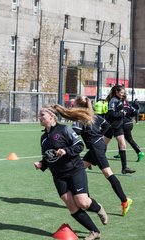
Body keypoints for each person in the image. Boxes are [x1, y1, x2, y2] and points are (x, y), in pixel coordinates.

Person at [34, 105, 107, 240]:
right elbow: (48, 156)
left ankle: (98, 208)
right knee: (72, 207)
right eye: (40, 116)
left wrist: (66, 151)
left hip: (75, 170)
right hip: (58, 176)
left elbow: (79, 146)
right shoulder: (43, 137)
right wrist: (41, 164)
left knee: (83, 203)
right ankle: (94, 231)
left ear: (51, 116)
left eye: (42, 115)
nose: (40, 118)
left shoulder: (64, 129)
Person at [59, 96, 133, 216]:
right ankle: (84, 198)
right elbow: (107, 126)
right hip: (98, 146)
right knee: (79, 168)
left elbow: (74, 135)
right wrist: (99, 137)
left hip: (96, 148)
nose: (73, 106)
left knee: (108, 173)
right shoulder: (93, 116)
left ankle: (125, 200)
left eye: (75, 104)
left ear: (78, 106)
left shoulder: (80, 119)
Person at [104, 85, 135, 174]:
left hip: (118, 127)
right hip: (111, 127)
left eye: (123, 92)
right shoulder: (113, 100)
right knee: (102, 146)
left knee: (123, 145)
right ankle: (91, 159)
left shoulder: (119, 100)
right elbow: (111, 113)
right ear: (117, 92)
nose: (123, 94)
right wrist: (122, 114)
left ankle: (124, 168)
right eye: (121, 92)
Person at [113, 95, 144, 162]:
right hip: (129, 123)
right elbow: (135, 112)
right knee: (120, 138)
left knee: (129, 139)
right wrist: (129, 116)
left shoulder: (119, 106)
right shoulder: (128, 105)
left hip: (124, 124)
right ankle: (120, 153)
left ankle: (139, 152)